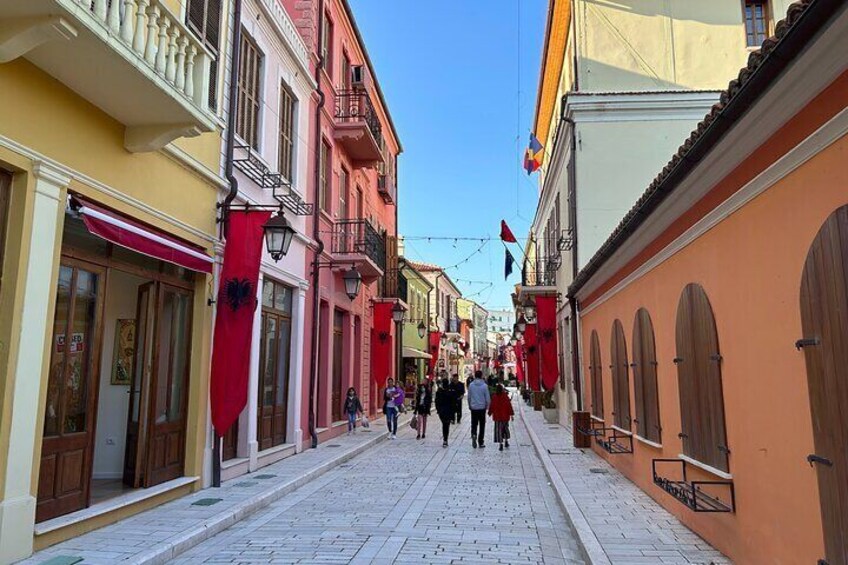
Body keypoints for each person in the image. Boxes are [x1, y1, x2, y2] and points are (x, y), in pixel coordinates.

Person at [467, 370, 491, 448]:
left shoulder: (471, 385)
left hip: (474, 407)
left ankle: (474, 434)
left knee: (474, 423)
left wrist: (469, 405)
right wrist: (488, 406)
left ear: (475, 376)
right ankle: (481, 441)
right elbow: (487, 397)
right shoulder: (484, 386)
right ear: (481, 376)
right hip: (481, 408)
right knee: (482, 424)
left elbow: (469, 397)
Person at [488, 384, 514, 451]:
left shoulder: (494, 397)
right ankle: (506, 441)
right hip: (505, 416)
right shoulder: (505, 396)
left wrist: (489, 412)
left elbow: (492, 406)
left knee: (498, 430)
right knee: (505, 429)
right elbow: (509, 406)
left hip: (497, 417)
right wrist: (511, 414)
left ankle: (500, 444)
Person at [435, 378, 455, 448]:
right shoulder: (451, 391)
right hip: (449, 411)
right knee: (447, 425)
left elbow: (436, 402)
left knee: (444, 424)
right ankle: (445, 439)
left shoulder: (439, 392)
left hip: (442, 411)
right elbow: (453, 402)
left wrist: (438, 410)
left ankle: (445, 439)